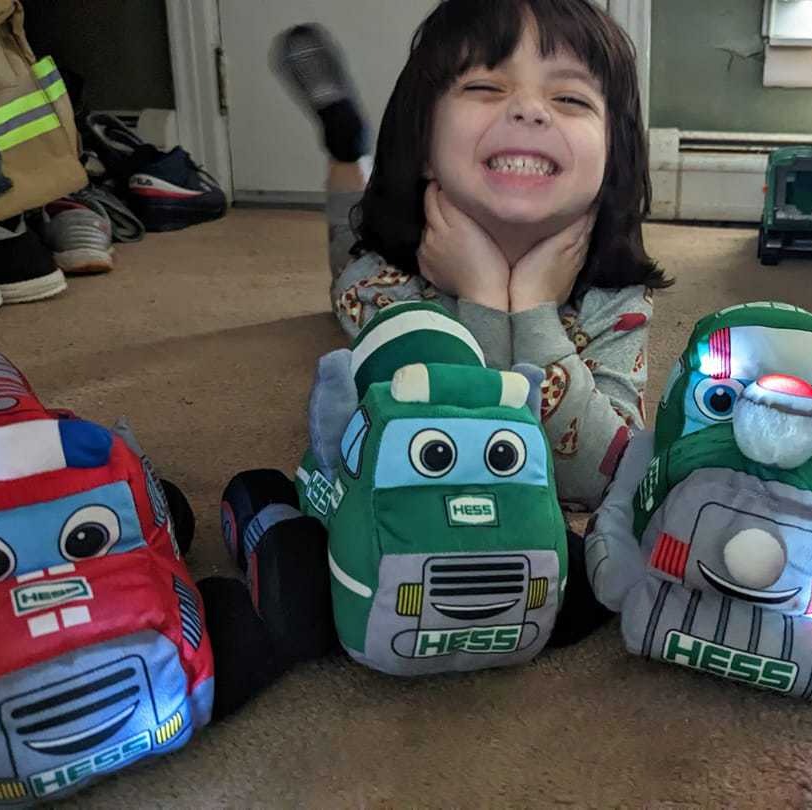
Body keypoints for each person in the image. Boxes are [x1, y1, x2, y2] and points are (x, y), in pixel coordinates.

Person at [274, 0, 667, 512]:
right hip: (396, 254)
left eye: (570, 97)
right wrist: (483, 293)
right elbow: (445, 453)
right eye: (485, 87)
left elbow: (605, 478)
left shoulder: (617, 295)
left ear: (614, 157)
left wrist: (531, 307)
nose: (530, 109)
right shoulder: (375, 283)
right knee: (346, 239)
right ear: (422, 145)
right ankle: (348, 151)